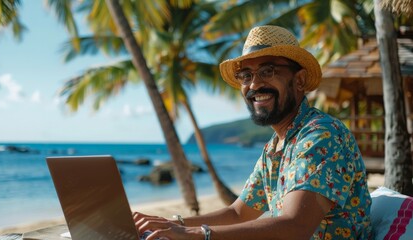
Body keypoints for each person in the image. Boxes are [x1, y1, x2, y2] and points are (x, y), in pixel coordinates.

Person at [134, 25, 372, 240]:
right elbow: (238, 213)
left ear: (299, 80)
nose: (254, 84)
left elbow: (295, 226)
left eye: (267, 71)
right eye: (245, 76)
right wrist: (171, 224)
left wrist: (197, 234)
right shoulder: (275, 147)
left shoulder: (321, 134)